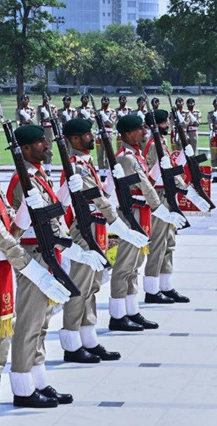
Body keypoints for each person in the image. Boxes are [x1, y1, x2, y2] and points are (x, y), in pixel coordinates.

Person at [0, 128, 69, 426]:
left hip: (0, 276)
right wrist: (36, 271)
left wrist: (24, 217)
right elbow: (2, 239)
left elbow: (9, 232)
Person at [6, 125, 105, 407]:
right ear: (24, 149)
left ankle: (38, 381)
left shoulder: (37, 175)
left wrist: (63, 192)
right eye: (39, 142)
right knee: (29, 322)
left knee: (42, 322)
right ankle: (23, 385)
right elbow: (16, 228)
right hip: (33, 255)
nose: (46, 146)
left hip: (49, 251)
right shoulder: (20, 179)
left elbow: (52, 213)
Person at [60, 119, 149, 361]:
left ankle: (88, 339)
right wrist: (122, 229)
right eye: (87, 134)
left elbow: (101, 196)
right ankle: (72, 343)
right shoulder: (75, 167)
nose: (92, 137)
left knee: (91, 288)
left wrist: (111, 181)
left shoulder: (85, 163)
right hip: (83, 230)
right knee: (79, 289)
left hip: (95, 228)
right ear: (75, 140)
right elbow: (98, 202)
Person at [108, 115, 186, 331]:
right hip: (131, 213)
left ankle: (131, 310)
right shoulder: (126, 158)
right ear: (126, 134)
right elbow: (145, 186)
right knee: (124, 266)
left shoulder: (136, 155)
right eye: (138, 129)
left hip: (140, 212)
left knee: (134, 266)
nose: (143, 132)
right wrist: (161, 210)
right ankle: (117, 315)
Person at [143, 110, 209, 302]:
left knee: (169, 242)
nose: (168, 126)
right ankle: (152, 289)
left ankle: (165, 285)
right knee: (159, 242)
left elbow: (171, 169)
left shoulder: (161, 143)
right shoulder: (154, 145)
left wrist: (183, 160)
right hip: (160, 196)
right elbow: (156, 175)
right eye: (165, 123)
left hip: (168, 194)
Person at [96, 96, 117, 178]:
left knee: (108, 154)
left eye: (107, 100)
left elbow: (111, 124)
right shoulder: (97, 111)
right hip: (99, 135)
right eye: (103, 100)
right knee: (99, 155)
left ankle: (108, 172)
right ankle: (101, 173)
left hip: (108, 134)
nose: (105, 102)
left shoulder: (112, 111)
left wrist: (104, 116)